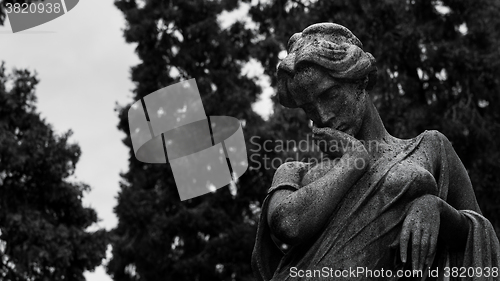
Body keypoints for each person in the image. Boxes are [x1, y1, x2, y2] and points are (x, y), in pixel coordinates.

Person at [251, 23, 500, 280]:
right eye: (309, 108)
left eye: (329, 95)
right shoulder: (294, 172)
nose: (323, 116)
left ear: (362, 80)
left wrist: (437, 210)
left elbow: (481, 241)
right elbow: (288, 225)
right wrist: (354, 160)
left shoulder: (431, 146)